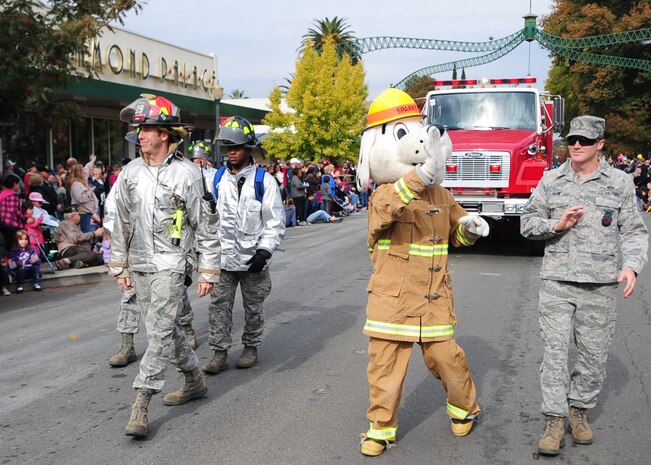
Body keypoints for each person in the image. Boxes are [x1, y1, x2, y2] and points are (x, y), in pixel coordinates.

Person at [521, 115, 648, 456]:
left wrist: (632, 266)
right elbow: (527, 224)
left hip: (600, 285)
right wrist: (556, 223)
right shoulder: (551, 182)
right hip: (557, 281)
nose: (576, 145)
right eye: (572, 139)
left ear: (600, 145)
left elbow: (634, 231)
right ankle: (553, 420)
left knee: (593, 355)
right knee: (555, 352)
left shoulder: (619, 184)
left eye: (585, 140)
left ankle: (579, 411)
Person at [108, 94, 221, 438]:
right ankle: (194, 380)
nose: (140, 134)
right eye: (139, 128)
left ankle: (141, 401)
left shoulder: (188, 173)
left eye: (147, 128)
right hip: (139, 262)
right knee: (166, 330)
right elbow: (121, 222)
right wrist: (120, 264)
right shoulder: (130, 172)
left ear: (166, 134)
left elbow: (205, 224)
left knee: (156, 333)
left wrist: (208, 270)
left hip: (172, 263)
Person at [201, 116, 285, 375]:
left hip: (253, 261)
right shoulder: (215, 179)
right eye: (228, 148)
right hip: (223, 260)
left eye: (236, 147)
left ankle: (250, 347)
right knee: (218, 307)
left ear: (248, 148)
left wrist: (265, 251)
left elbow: (275, 221)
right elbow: (207, 222)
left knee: (253, 307)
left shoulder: (264, 181)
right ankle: (219, 353)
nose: (232, 152)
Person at [8, 229, 42, 293]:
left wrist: (35, 261)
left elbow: (37, 260)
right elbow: (12, 263)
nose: (24, 241)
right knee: (21, 269)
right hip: (20, 271)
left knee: (36, 267)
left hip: (31, 270)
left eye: (26, 239)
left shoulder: (31, 249)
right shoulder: (14, 250)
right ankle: (20, 285)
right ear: (17, 240)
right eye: (21, 239)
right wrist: (20, 263)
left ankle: (36, 283)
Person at [68, 164, 98, 233]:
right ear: (78, 172)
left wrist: (92, 161)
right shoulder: (76, 184)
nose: (84, 171)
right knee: (85, 233)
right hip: (83, 212)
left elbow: (87, 169)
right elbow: (80, 199)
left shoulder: (81, 182)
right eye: (82, 170)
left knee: (89, 233)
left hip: (87, 212)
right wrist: (89, 192)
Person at [0, 176, 26, 249]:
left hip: (2, 222)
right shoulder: (13, 195)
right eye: (18, 184)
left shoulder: (2, 193)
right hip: (11, 223)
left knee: (5, 244)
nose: (19, 186)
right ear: (14, 184)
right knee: (12, 245)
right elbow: (13, 210)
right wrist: (24, 218)